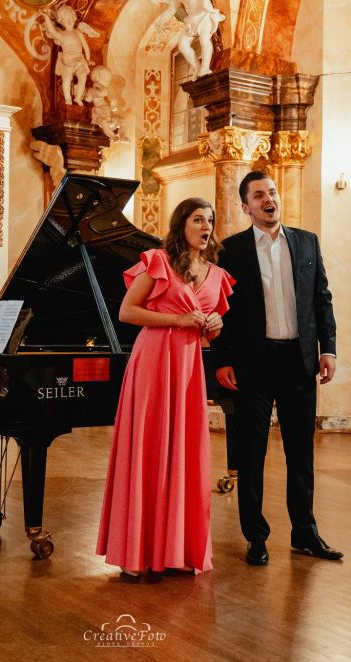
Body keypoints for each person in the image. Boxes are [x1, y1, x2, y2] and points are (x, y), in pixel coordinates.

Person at [97, 197, 235, 577]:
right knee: (151, 444)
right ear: (181, 225)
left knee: (185, 450)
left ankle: (178, 551)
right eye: (197, 220)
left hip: (189, 366)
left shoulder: (216, 274)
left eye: (209, 220)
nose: (205, 227)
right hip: (154, 360)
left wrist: (214, 325)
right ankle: (138, 553)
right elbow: (127, 312)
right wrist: (179, 319)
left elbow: (211, 326)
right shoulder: (157, 261)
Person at [214, 171, 342, 566]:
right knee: (251, 454)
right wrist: (222, 359)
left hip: (299, 361)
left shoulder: (306, 242)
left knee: (301, 453)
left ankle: (305, 532)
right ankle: (255, 536)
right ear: (246, 206)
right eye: (258, 195)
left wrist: (328, 349)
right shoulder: (230, 250)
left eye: (271, 192)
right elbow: (221, 308)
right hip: (253, 364)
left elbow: (322, 298)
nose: (269, 199)